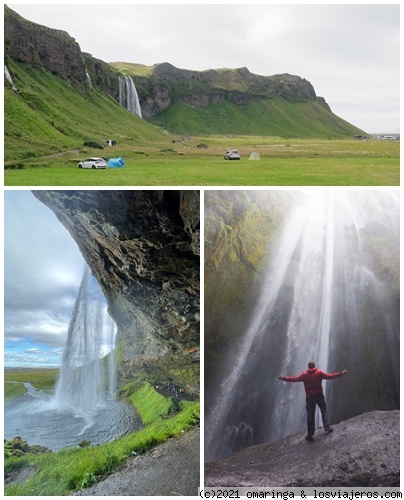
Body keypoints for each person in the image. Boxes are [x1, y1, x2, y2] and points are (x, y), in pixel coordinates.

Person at [277, 362, 348, 441]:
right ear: (314, 366)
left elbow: (294, 379)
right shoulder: (319, 372)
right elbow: (329, 376)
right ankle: (327, 426)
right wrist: (341, 373)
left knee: (310, 415)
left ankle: (310, 434)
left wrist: (283, 378)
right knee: (324, 410)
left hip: (310, 397)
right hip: (319, 395)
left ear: (308, 367)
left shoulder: (304, 374)